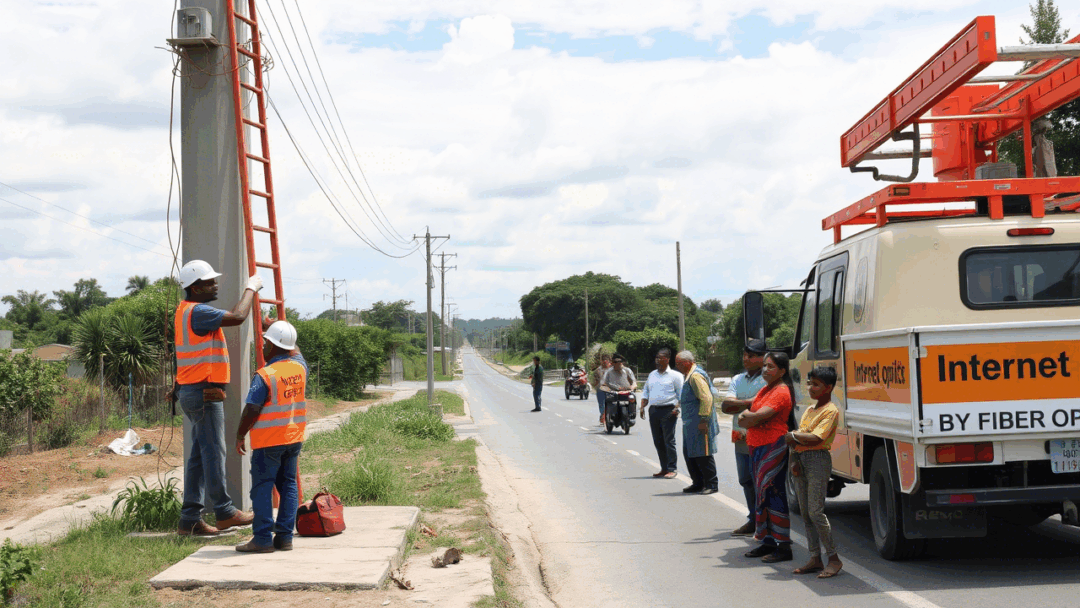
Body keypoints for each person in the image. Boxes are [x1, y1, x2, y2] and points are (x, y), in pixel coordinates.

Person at [172, 259, 264, 537]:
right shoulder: (198, 312)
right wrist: (251, 288)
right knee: (213, 453)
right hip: (203, 393)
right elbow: (238, 316)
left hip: (193, 391)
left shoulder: (185, 311)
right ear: (195, 287)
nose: (215, 286)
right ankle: (224, 512)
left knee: (199, 457)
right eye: (209, 282)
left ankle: (189, 520)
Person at [234, 321, 307, 553]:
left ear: (274, 346)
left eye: (266, 342)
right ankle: (285, 537)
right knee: (288, 485)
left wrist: (240, 434)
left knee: (262, 488)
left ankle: (262, 539)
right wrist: (279, 330)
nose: (263, 346)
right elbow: (295, 350)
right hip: (293, 438)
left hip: (269, 441)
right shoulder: (300, 367)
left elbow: (252, 408)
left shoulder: (265, 375)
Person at [737, 352, 795, 562]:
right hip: (758, 446)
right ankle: (768, 542)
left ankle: (783, 546)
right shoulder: (765, 389)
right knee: (762, 494)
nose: (765, 370)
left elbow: (755, 416)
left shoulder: (781, 391)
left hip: (772, 446)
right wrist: (748, 417)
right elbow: (747, 414)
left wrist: (747, 417)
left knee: (773, 493)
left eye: (770, 366)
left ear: (782, 371)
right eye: (764, 365)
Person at [786, 367, 843, 578]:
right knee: (805, 513)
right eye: (810, 383)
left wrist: (793, 436)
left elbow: (816, 438)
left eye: (816, 384)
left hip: (818, 460)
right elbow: (800, 437)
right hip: (801, 459)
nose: (811, 388)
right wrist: (794, 460)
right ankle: (815, 557)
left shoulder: (830, 410)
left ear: (829, 387)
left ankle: (834, 558)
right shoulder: (810, 410)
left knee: (815, 512)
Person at [720, 340, 768, 536]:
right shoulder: (738, 379)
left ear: (763, 357)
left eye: (752, 355)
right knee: (746, 480)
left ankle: (766, 522)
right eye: (745, 355)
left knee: (762, 481)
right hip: (741, 438)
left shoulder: (768, 378)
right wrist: (752, 402)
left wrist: (740, 404)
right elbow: (726, 406)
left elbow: (765, 406)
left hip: (763, 438)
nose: (746, 359)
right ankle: (754, 519)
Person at [674, 351, 718, 495]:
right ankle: (698, 483)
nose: (677, 366)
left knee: (703, 453)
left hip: (700, 422)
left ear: (688, 362)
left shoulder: (696, 376)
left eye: (679, 363)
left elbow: (706, 398)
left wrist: (704, 420)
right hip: (690, 423)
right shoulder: (689, 376)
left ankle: (711, 484)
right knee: (690, 453)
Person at [640, 348, 683, 478]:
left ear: (667, 359)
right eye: (656, 358)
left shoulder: (675, 376)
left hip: (668, 410)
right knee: (658, 440)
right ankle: (664, 468)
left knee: (668, 440)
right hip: (654, 410)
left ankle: (672, 468)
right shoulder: (652, 374)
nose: (658, 360)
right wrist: (642, 406)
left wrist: (677, 408)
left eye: (661, 358)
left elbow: (681, 394)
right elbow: (646, 390)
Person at [591, 354, 612, 425]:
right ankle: (603, 416)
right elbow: (594, 380)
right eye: (603, 361)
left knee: (611, 403)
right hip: (600, 389)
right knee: (601, 404)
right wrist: (595, 386)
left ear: (609, 361)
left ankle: (608, 416)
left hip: (610, 389)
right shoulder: (598, 370)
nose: (605, 362)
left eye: (606, 361)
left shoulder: (612, 369)